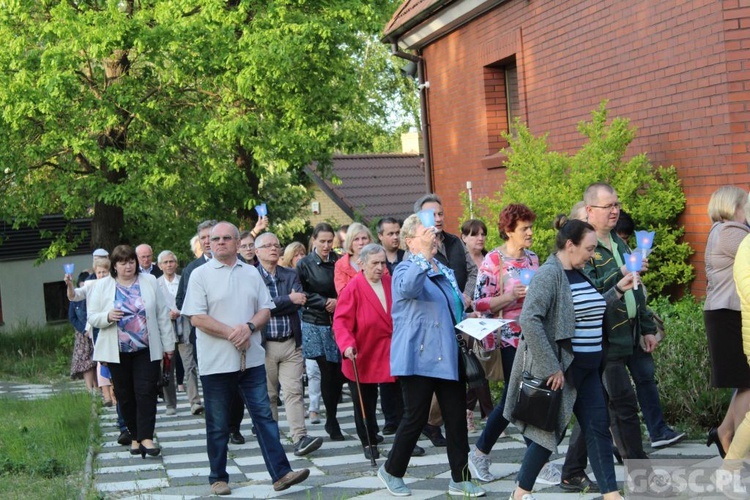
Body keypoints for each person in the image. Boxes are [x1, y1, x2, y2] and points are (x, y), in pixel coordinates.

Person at [505, 217, 635, 500]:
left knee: (598, 429)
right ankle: (520, 492)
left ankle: (611, 494)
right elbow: (529, 319)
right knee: (548, 433)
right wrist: (551, 366)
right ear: (569, 245)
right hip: (565, 370)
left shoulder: (579, 271)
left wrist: (618, 291)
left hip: (588, 368)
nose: (592, 255)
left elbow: (589, 308)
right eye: (588, 249)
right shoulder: (550, 274)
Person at [181, 221, 310, 495]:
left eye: (226, 238)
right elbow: (196, 317)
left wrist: (249, 327)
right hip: (216, 363)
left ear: (238, 243)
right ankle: (218, 477)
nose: (219, 243)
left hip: (250, 360)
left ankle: (281, 473)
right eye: (214, 239)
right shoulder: (200, 275)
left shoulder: (251, 274)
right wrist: (232, 332)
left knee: (264, 416)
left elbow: (266, 308)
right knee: (218, 422)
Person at [378, 214, 486, 498]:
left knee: (456, 418)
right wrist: (423, 254)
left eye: (434, 234)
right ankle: (391, 470)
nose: (434, 238)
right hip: (418, 356)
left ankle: (460, 479)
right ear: (410, 241)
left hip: (448, 354)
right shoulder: (404, 268)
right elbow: (409, 289)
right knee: (415, 417)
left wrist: (470, 317)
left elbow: (452, 307)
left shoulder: (443, 268)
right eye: (427, 234)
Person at [469, 205, 545, 483]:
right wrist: (511, 296)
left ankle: (484, 452)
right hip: (509, 338)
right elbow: (479, 303)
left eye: (530, 227)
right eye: (525, 228)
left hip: (535, 337)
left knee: (523, 399)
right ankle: (485, 453)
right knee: (519, 398)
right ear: (509, 230)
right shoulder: (493, 260)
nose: (530, 232)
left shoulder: (534, 259)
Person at [88, 244, 175, 458]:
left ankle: (146, 437)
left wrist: (169, 346)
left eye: (131, 261)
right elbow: (92, 317)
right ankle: (135, 437)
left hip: (146, 348)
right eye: (123, 262)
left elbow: (162, 314)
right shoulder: (103, 286)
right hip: (117, 350)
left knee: (145, 392)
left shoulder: (149, 281)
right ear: (114, 266)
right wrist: (108, 316)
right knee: (125, 396)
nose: (129, 266)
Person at [413, 193, 478, 447]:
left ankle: (437, 423)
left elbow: (472, 270)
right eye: (432, 214)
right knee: (440, 375)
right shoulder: (417, 248)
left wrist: (466, 295)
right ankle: (424, 422)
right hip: (435, 322)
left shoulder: (453, 241)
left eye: (440, 213)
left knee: (462, 373)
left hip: (461, 315)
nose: (438, 218)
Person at [255, 232, 323, 457]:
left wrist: (279, 304)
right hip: (264, 345)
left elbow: (299, 302)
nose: (274, 249)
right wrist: (287, 300)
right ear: (257, 252)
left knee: (294, 392)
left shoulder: (290, 274)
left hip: (291, 342)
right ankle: (271, 439)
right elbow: (258, 308)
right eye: (268, 246)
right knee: (269, 395)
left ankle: (300, 437)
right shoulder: (251, 277)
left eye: (277, 245)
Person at [333, 243, 398, 459]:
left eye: (383, 263)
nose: (380, 267)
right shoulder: (353, 287)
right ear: (362, 263)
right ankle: (369, 442)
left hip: (389, 350)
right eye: (375, 263)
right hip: (363, 352)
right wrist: (346, 345)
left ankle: (402, 441)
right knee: (365, 402)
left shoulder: (390, 282)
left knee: (399, 400)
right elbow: (341, 321)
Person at [704, 186, 750, 457]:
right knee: (747, 381)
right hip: (728, 314)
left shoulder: (722, 230)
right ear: (735, 207)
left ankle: (724, 432)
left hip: (726, 313)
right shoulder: (732, 232)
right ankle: (740, 447)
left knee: (743, 381)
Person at [297, 223, 345, 441]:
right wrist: (324, 301)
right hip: (315, 321)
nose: (326, 246)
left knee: (337, 373)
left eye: (329, 241)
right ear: (314, 240)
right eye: (322, 241)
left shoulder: (338, 261)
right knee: (326, 370)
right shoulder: (304, 264)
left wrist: (339, 301)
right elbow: (301, 292)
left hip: (338, 319)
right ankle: (332, 419)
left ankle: (332, 415)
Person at [157, 250, 203, 416]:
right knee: (167, 369)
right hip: (166, 333)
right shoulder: (156, 284)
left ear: (176, 264)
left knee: (189, 366)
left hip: (184, 328)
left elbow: (190, 300)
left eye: (171, 261)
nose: (169, 265)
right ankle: (170, 404)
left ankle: (195, 401)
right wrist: (166, 314)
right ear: (160, 265)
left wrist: (180, 311)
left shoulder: (184, 280)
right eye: (165, 262)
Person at [460, 219, 493, 432]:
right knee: (475, 369)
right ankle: (489, 414)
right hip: (467, 320)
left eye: (482, 234)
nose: (479, 238)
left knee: (485, 368)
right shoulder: (460, 261)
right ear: (463, 237)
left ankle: (468, 410)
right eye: (474, 234)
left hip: (489, 318)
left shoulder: (490, 259)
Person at [68, 271, 96, 391]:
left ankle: (99, 387)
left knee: (97, 361)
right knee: (86, 363)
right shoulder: (75, 300)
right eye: (82, 284)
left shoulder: (93, 295)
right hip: (82, 335)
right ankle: (89, 388)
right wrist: (84, 330)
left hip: (95, 330)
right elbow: (72, 317)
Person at [334, 222, 374, 294]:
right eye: (356, 239)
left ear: (370, 240)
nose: (361, 243)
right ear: (350, 242)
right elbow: (343, 294)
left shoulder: (378, 260)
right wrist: (361, 274)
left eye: (364, 238)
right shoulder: (340, 265)